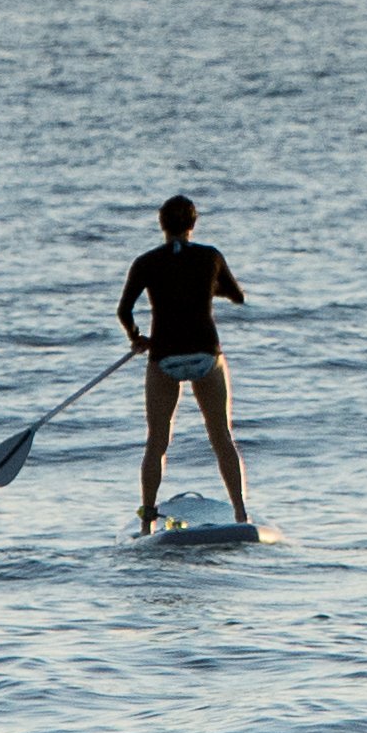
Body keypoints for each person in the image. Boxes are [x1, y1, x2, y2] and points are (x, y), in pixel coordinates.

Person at [119, 193, 252, 532]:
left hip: (164, 357)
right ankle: (240, 515)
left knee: (157, 441)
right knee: (222, 437)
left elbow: (124, 310)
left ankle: (147, 523)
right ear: (193, 225)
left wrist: (136, 336)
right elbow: (237, 296)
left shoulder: (146, 262)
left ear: (162, 225)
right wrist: (208, 290)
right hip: (205, 355)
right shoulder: (211, 257)